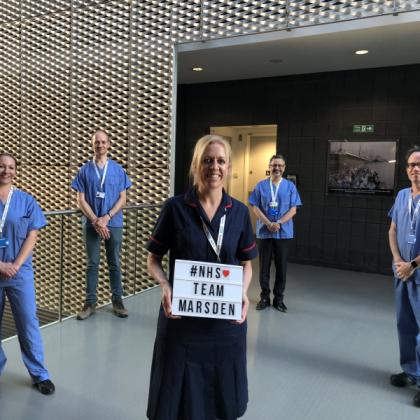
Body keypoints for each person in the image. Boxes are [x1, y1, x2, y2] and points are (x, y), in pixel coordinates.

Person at [146, 135, 257, 420]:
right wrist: (164, 285)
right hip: (182, 324)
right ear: (197, 165)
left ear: (229, 166)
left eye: (220, 161)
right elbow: (153, 259)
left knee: (219, 398)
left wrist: (243, 293)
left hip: (224, 326)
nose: (214, 167)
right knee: (177, 399)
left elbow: (246, 265)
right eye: (207, 160)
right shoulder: (175, 208)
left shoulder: (240, 213)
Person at [0, 152, 55, 395]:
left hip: (19, 273)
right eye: (1, 166)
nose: (6, 171)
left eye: (10, 167)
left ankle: (40, 375)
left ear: (15, 171)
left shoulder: (26, 201)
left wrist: (14, 265)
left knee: (28, 322)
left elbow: (33, 234)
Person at [71, 130, 132, 320]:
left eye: (103, 142)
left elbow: (123, 198)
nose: (100, 145)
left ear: (109, 144)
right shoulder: (84, 170)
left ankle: (118, 301)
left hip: (113, 223)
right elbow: (80, 200)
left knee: (114, 262)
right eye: (97, 142)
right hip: (91, 224)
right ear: (92, 145)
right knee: (92, 264)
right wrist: (96, 220)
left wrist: (106, 217)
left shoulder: (118, 170)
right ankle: (90, 303)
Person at [249, 154, 302, 312]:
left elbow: (294, 209)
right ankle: (264, 297)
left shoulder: (290, 187)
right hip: (265, 233)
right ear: (269, 167)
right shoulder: (260, 186)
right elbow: (254, 206)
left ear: (284, 168)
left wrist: (278, 223)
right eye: (274, 165)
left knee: (281, 267)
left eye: (280, 165)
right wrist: (268, 223)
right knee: (264, 267)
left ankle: (279, 299)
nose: (277, 168)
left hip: (283, 233)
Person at [388, 146, 420, 407]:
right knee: (405, 325)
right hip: (401, 273)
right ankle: (411, 371)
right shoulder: (401, 196)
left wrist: (413, 264)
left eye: (419, 164)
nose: (415, 169)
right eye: (411, 165)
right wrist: (399, 261)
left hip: (417, 274)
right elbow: (392, 230)